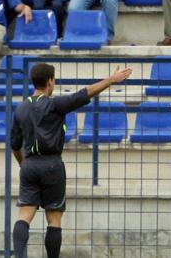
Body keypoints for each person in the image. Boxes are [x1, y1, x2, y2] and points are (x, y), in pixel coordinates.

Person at [10, 63, 133, 258]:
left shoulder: (21, 108)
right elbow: (85, 94)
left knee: (24, 216)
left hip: (29, 165)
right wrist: (111, 80)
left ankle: (18, 256)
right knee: (54, 218)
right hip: (52, 165)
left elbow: (15, 145)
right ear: (50, 81)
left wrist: (23, 164)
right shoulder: (55, 105)